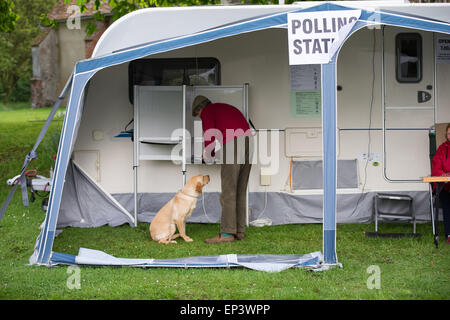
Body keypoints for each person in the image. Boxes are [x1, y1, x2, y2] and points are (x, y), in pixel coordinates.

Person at [192, 95, 253, 243]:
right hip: (250, 142)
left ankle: (226, 234)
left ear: (200, 109)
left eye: (199, 116)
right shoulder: (225, 107)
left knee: (228, 190)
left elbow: (210, 135)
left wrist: (207, 155)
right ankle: (239, 231)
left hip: (233, 143)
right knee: (240, 189)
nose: (201, 118)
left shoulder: (207, 111)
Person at [431, 123, 450, 244]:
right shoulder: (442, 148)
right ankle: (449, 234)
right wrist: (443, 175)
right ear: (446, 135)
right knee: (447, 204)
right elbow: (436, 166)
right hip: (445, 186)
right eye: (449, 133)